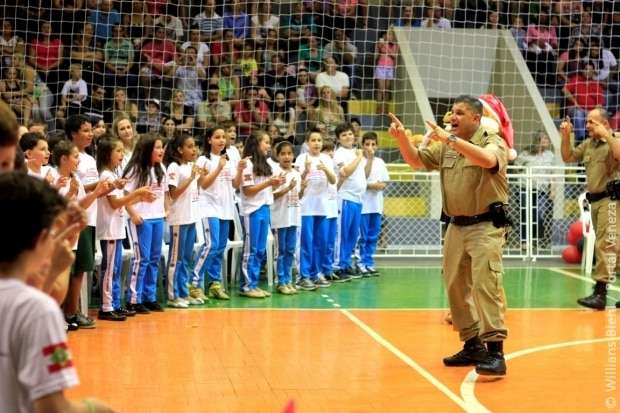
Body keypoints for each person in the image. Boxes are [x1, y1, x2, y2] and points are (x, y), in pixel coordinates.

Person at [388, 94, 510, 376]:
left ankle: (496, 353)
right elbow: (417, 161)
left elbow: (490, 160)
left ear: (476, 118)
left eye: (459, 113)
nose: (452, 117)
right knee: (455, 287)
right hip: (456, 225)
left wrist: (449, 139)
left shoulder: (492, 139)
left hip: (485, 225)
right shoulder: (447, 146)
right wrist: (402, 139)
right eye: (451, 112)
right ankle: (471, 345)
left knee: (485, 286)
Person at [0, 172, 115, 413]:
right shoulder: (38, 311)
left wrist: (61, 245)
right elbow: (53, 408)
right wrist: (95, 409)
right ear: (42, 238)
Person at [560, 109, 620, 309]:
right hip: (595, 201)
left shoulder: (615, 139)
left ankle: (600, 294)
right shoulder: (589, 144)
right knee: (613, 248)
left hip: (611, 200)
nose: (586, 126)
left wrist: (608, 136)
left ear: (604, 123)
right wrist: (566, 136)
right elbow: (567, 157)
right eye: (586, 122)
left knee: (606, 244)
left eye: (591, 122)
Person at [96, 137, 156, 320]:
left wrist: (141, 198)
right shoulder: (106, 176)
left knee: (115, 268)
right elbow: (115, 203)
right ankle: (106, 307)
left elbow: (122, 201)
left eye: (123, 151)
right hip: (110, 229)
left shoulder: (114, 175)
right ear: (108, 154)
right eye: (119, 151)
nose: (123, 155)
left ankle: (114, 303)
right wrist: (137, 193)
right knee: (109, 270)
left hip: (117, 228)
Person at [191, 127, 241, 302]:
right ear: (209, 139)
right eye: (217, 137)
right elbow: (203, 185)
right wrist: (219, 168)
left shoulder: (228, 160)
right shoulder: (203, 160)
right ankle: (194, 283)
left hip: (226, 208)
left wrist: (240, 169)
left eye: (224, 137)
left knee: (220, 248)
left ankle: (214, 284)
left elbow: (235, 184)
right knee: (210, 245)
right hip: (208, 207)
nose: (221, 140)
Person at [122, 134, 168, 313]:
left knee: (154, 259)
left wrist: (166, 211)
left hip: (157, 218)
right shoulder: (134, 169)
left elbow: (164, 194)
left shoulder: (160, 168)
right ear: (147, 149)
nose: (161, 150)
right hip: (141, 218)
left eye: (162, 147)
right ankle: (134, 299)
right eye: (157, 147)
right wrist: (132, 213)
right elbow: (124, 196)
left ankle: (150, 297)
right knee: (142, 259)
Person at [239, 130, 284, 298]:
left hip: (265, 208)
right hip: (252, 211)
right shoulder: (247, 164)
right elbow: (248, 191)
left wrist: (277, 184)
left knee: (259, 250)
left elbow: (267, 189)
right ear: (256, 144)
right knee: (250, 249)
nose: (268, 146)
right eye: (265, 142)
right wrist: (268, 183)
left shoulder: (266, 165)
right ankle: (246, 286)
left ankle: (254, 284)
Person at [294, 129, 336, 290]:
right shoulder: (301, 158)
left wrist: (325, 169)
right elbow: (298, 182)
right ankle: (303, 275)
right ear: (307, 143)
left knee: (321, 242)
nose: (317, 143)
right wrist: (305, 170)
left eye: (319, 140)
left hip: (322, 207)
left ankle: (316, 273)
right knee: (306, 242)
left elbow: (333, 181)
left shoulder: (326, 159)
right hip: (306, 207)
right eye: (313, 140)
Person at [163, 134, 202, 308]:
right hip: (178, 218)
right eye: (190, 146)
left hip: (191, 217)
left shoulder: (191, 166)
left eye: (194, 146)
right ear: (179, 150)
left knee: (187, 258)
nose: (194, 150)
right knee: (176, 259)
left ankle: (184, 292)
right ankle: (173, 295)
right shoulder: (174, 166)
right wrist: (191, 178)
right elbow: (173, 194)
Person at [334, 123, 366, 281]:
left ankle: (346, 264)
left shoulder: (355, 152)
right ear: (338, 139)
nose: (348, 137)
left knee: (353, 235)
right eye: (344, 135)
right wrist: (360, 157)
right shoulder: (339, 154)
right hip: (345, 198)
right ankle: (338, 266)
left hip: (358, 199)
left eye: (350, 134)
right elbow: (345, 172)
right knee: (343, 234)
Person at [270, 141, 302, 294]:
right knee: (280, 251)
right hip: (280, 218)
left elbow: (298, 195)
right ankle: (280, 280)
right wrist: (287, 189)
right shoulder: (275, 173)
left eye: (289, 153)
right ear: (277, 156)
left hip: (293, 217)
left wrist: (305, 186)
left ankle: (288, 280)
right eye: (283, 154)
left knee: (290, 250)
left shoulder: (297, 174)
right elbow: (271, 196)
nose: (287, 156)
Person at [359, 132, 389, 275]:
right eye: (367, 144)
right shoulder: (359, 161)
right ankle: (360, 263)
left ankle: (368, 262)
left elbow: (384, 182)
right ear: (362, 145)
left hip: (376, 205)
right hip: (363, 205)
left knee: (373, 236)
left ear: (377, 146)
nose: (370, 147)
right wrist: (370, 186)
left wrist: (380, 186)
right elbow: (360, 181)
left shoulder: (381, 162)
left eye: (373, 144)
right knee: (362, 237)